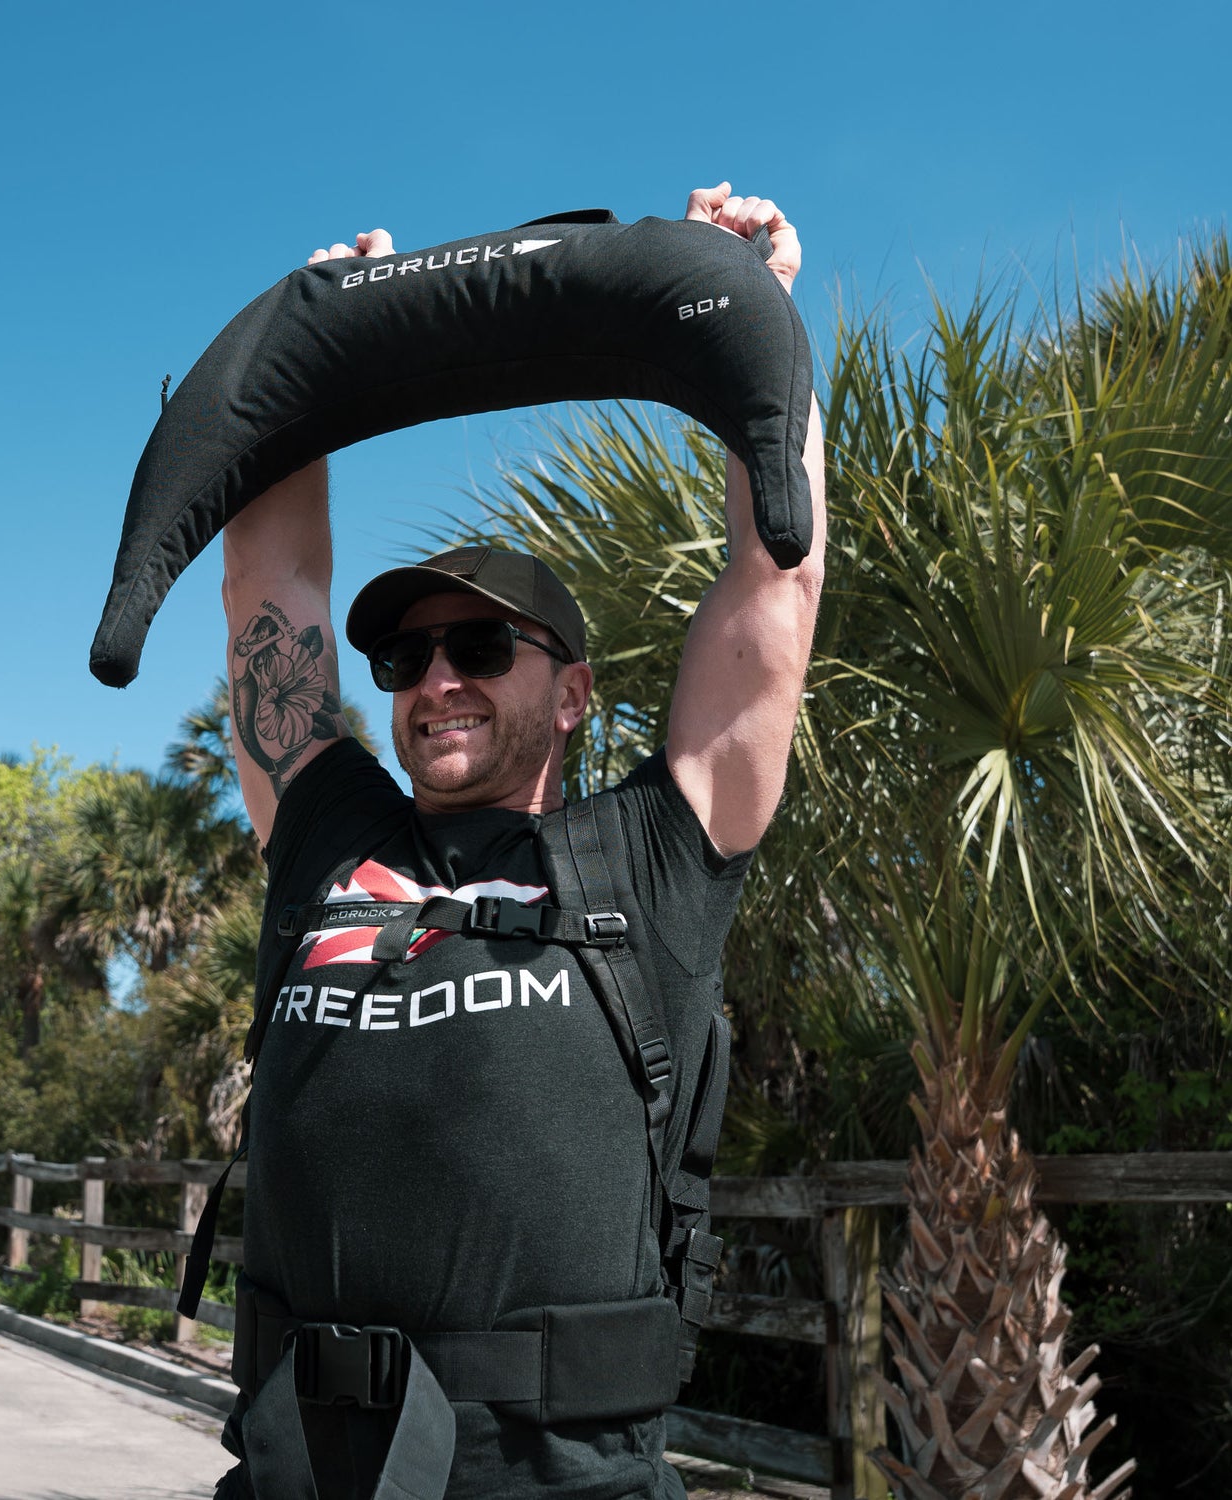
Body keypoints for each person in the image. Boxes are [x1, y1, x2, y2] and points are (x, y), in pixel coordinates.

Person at [213, 183, 826, 1500]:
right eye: (408, 655)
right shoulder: (327, 834)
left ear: (573, 690)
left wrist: (758, 307)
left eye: (482, 647)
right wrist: (311, 345)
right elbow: (273, 587)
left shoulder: (652, 857)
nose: (436, 680)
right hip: (294, 1471)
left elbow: (774, 585)